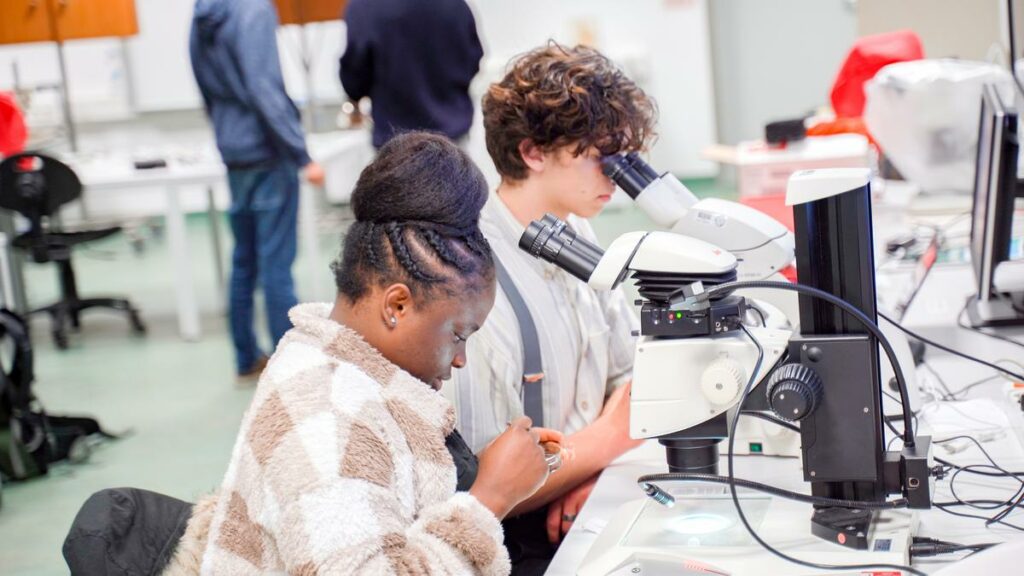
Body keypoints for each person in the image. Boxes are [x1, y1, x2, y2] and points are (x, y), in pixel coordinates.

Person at [153, 132, 558, 575]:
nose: (460, 359)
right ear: (397, 305)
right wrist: (489, 499)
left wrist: (489, 473)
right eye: (459, 335)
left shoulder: (351, 370)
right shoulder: (324, 415)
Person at [446, 42, 657, 574]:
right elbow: (482, 487)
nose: (614, 177)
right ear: (533, 153)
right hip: (512, 542)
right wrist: (606, 443)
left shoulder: (575, 228)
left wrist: (589, 472)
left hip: (586, 494)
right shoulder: (471, 280)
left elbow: (631, 377)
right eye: (598, 156)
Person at [189, 0, 325, 381]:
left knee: (245, 259)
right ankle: (290, 368)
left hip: (234, 149)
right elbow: (264, 87)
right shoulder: (254, 10)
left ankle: (246, 358)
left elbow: (205, 87)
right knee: (276, 263)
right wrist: (300, 154)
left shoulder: (202, 12)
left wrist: (227, 132)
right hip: (267, 152)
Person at [339, 0, 483, 148]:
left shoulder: (365, 7)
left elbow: (354, 77)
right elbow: (473, 58)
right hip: (453, 135)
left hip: (394, 141)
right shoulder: (456, 4)